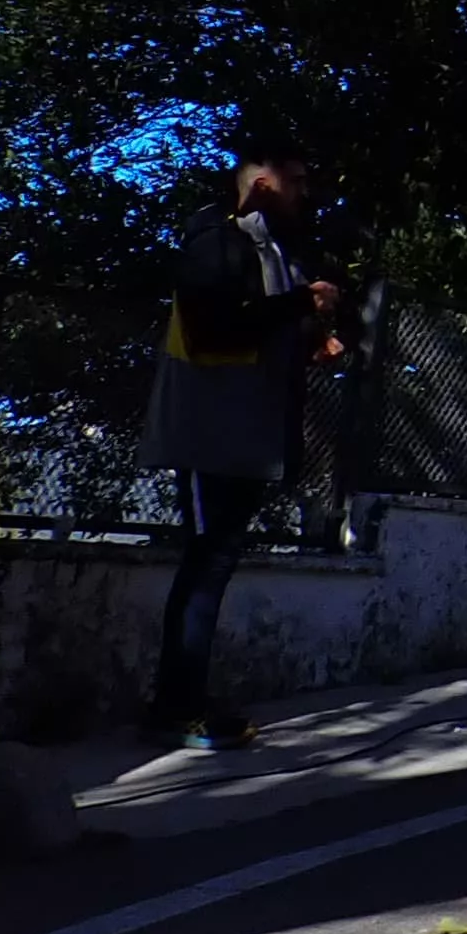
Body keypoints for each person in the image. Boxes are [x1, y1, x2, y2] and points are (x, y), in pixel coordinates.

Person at [137, 149, 342, 749]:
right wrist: (301, 305)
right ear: (260, 184)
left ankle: (186, 700)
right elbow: (213, 328)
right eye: (296, 180)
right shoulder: (213, 242)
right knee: (204, 565)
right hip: (210, 431)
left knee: (216, 564)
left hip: (250, 435)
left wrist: (310, 341)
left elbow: (257, 330)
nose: (306, 191)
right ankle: (175, 707)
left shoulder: (271, 252)